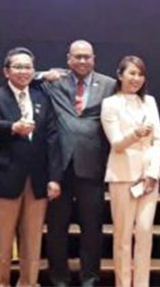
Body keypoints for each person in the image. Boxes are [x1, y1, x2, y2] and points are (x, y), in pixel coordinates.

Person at [0, 47, 62, 287]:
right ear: (6, 71)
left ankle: (29, 283)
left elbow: (52, 139)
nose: (23, 71)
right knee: (1, 242)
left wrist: (54, 178)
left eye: (27, 67)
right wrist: (13, 127)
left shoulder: (42, 97)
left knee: (32, 241)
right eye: (17, 67)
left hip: (38, 179)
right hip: (5, 178)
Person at [42, 40, 116, 287]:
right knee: (56, 228)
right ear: (68, 59)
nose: (82, 61)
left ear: (94, 59)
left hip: (93, 165)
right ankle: (59, 279)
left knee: (92, 228)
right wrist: (43, 74)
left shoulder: (109, 84)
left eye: (87, 56)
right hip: (59, 166)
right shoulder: (55, 81)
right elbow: (22, 76)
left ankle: (90, 278)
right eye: (77, 56)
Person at [102, 55, 160, 287]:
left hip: (148, 178)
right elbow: (116, 143)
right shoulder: (110, 103)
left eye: (140, 74)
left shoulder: (150, 102)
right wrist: (135, 134)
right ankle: (123, 283)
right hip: (122, 176)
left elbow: (157, 139)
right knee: (123, 236)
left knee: (145, 232)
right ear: (120, 75)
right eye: (132, 73)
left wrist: (153, 172)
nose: (136, 78)